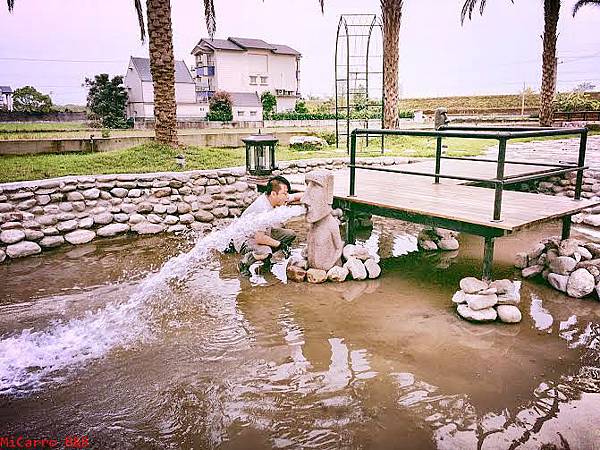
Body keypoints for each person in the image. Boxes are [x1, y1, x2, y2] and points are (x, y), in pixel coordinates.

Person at [234, 176, 303, 275]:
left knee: (290, 234)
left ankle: (266, 261)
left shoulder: (274, 198)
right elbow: (260, 238)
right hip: (245, 239)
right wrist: (280, 245)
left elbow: (296, 196)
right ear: (274, 194)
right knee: (266, 251)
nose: (287, 196)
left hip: (261, 233)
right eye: (284, 193)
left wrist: (313, 193)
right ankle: (244, 263)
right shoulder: (262, 209)